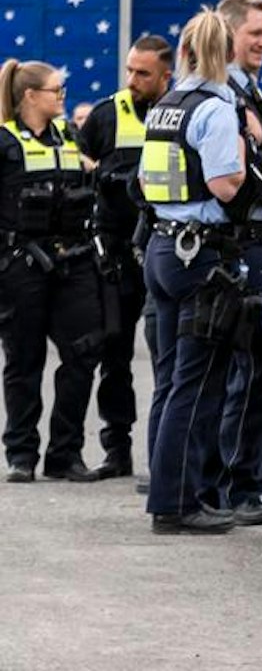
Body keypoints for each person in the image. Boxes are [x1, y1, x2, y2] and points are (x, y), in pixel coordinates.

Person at [138, 8, 249, 533]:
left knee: (170, 382)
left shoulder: (166, 105)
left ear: (182, 53)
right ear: (227, 54)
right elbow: (227, 183)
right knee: (196, 383)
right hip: (200, 253)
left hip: (163, 246)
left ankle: (168, 491)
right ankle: (177, 502)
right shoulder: (216, 109)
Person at [0, 58, 105, 484]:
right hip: (22, 264)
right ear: (30, 96)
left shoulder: (70, 135)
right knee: (24, 360)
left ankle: (66, 454)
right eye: (55, 91)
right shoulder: (4, 143)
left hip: (72, 261)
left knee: (83, 354)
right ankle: (21, 454)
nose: (62, 98)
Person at [75, 33, 170, 478]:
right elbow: (81, 167)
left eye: (143, 73)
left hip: (163, 248)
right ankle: (117, 449)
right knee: (115, 355)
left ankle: (168, 457)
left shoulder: (179, 110)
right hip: (114, 253)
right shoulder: (106, 115)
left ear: (166, 75)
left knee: (168, 357)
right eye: (130, 69)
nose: (132, 79)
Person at [216, 0, 262, 523]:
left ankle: (235, 479)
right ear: (228, 32)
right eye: (253, 33)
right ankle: (236, 485)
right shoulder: (227, 100)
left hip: (257, 244)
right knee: (248, 367)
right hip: (238, 246)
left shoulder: (253, 94)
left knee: (251, 368)